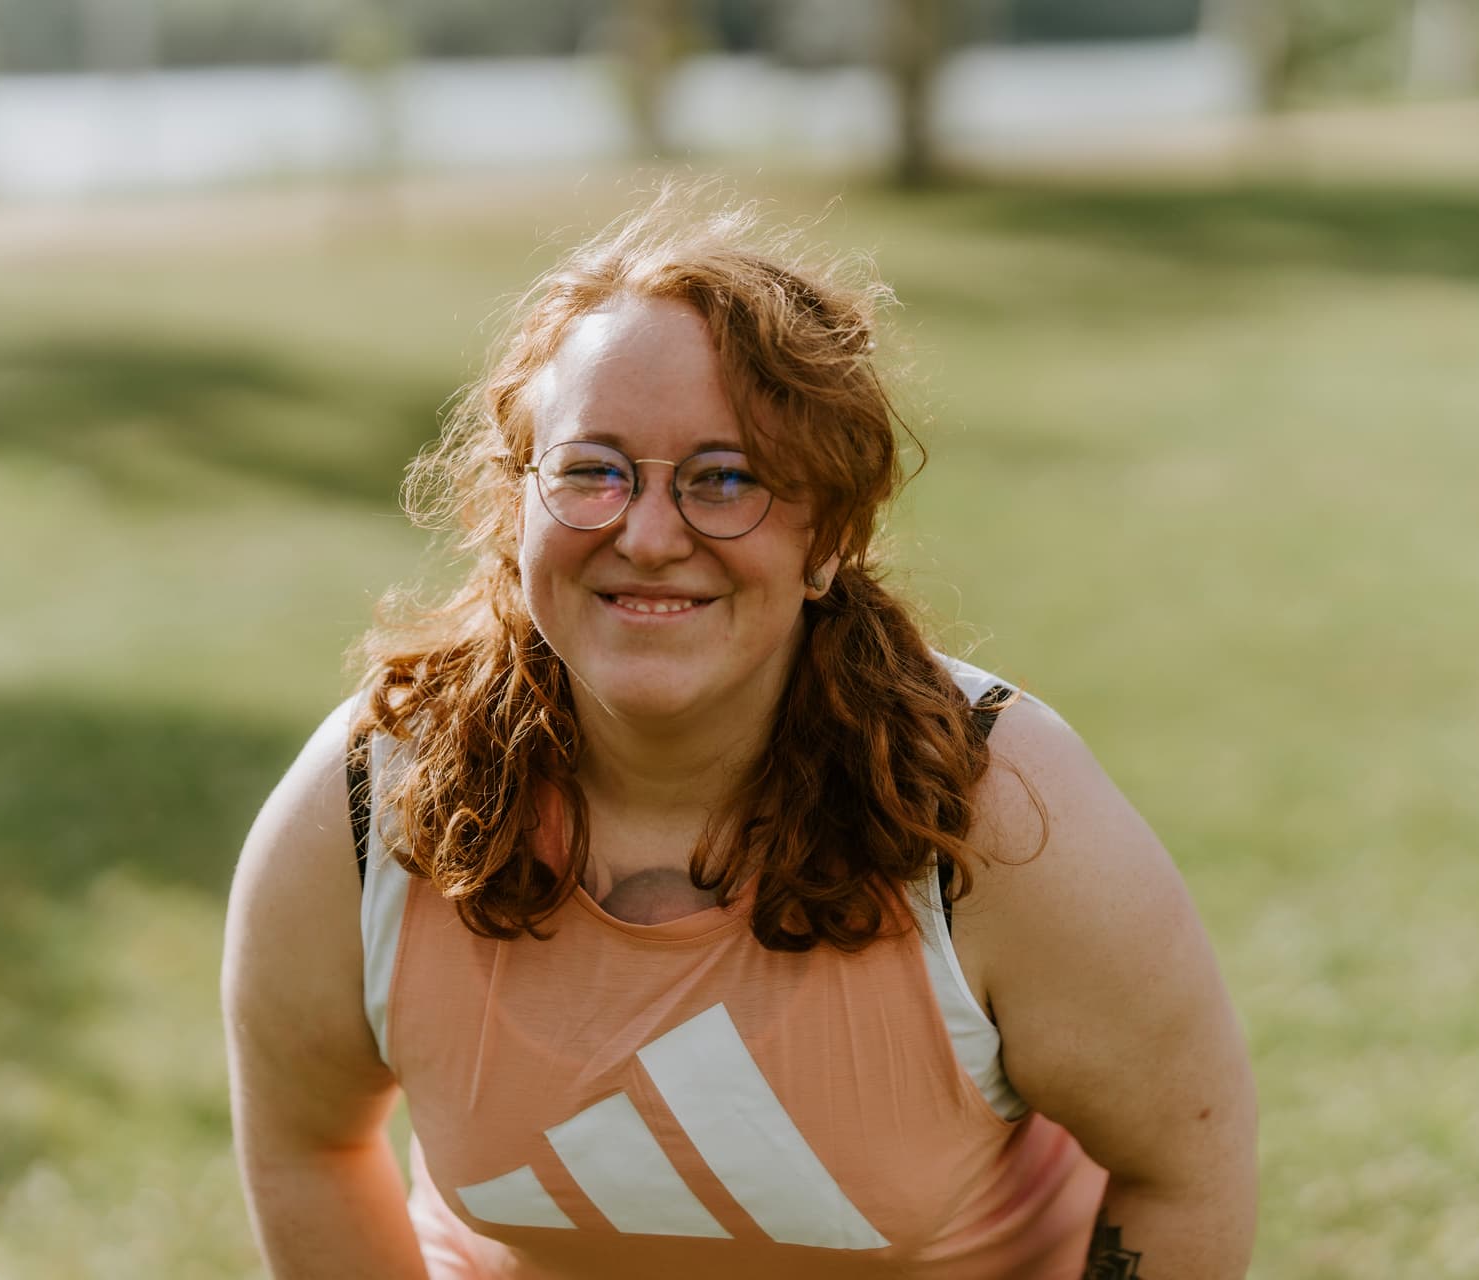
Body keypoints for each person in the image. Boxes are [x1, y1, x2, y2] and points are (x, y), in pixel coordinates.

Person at [223, 190, 1256, 1279]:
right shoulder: (373, 793)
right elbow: (307, 1142)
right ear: (510, 510)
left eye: (728, 479)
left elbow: (1184, 1163)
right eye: (592, 468)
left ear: (829, 541)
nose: (650, 534)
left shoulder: (997, 802)